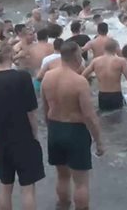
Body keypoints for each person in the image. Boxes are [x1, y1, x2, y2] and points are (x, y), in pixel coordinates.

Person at [0, 42, 45, 210]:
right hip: (23, 137)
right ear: (12, 56)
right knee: (28, 188)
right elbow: (31, 113)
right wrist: (35, 135)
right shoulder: (22, 77)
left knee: (6, 186)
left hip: (1, 138)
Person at [42, 42, 104, 210]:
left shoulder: (47, 77)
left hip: (55, 129)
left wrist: (51, 129)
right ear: (77, 56)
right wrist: (98, 141)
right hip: (75, 131)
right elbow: (89, 115)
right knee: (81, 183)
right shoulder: (79, 81)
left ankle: (62, 206)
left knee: (62, 176)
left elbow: (45, 108)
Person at [83, 39, 127, 111]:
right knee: (118, 119)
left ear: (104, 48)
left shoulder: (95, 61)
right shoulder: (121, 61)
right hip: (116, 95)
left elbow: (82, 76)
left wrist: (87, 91)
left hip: (102, 95)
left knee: (104, 118)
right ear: (116, 49)